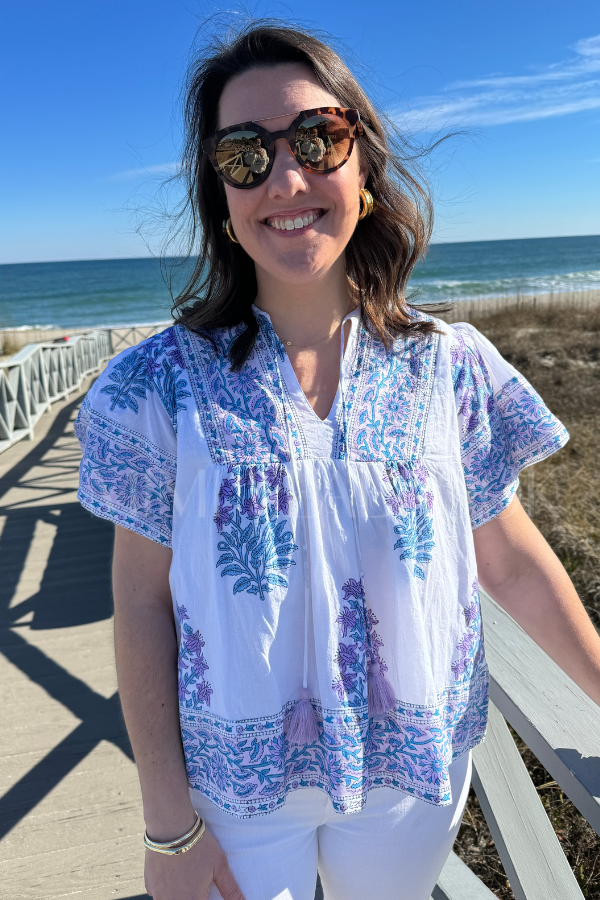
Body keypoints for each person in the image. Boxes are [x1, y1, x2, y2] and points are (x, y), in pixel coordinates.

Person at [74, 22, 600, 900]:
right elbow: (138, 599)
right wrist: (168, 825)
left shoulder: (450, 366)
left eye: (319, 139)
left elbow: (506, 555)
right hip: (230, 792)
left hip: (409, 782)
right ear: (221, 191)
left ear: (363, 162)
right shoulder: (155, 387)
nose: (286, 178)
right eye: (244, 155)